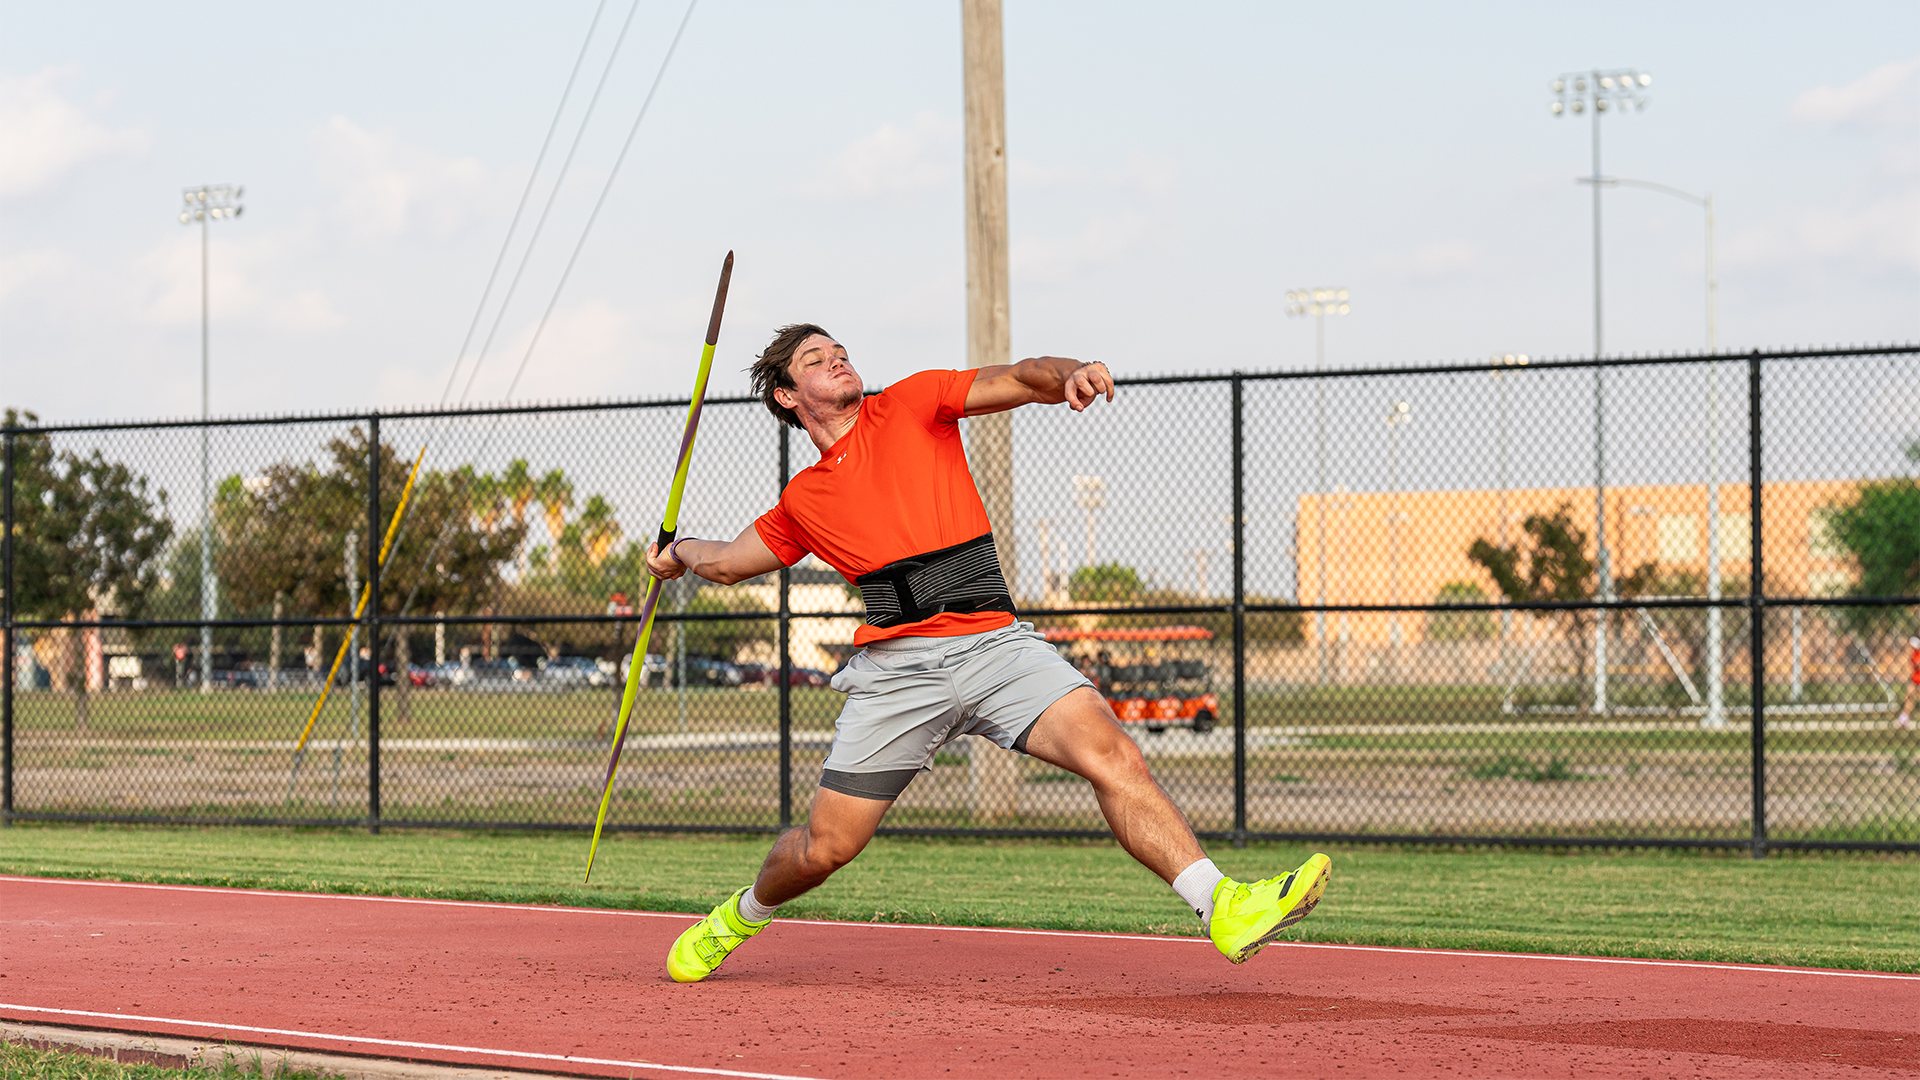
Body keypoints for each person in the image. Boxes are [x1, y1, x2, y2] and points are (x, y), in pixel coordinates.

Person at [645, 324, 1329, 983]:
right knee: (826, 849)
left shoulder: (912, 401)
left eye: (841, 351)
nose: (838, 360)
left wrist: (1071, 375)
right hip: (898, 676)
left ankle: (1224, 907)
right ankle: (738, 917)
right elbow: (732, 561)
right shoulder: (804, 498)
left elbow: (1022, 376)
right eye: (817, 359)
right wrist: (677, 553)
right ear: (788, 397)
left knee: (1114, 753)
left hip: (996, 647)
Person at [1899, 636, 1919, 729]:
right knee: (1909, 697)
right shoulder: (1912, 654)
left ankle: (1904, 717)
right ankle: (1904, 717)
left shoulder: (1917, 654)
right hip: (1915, 679)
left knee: (1910, 696)